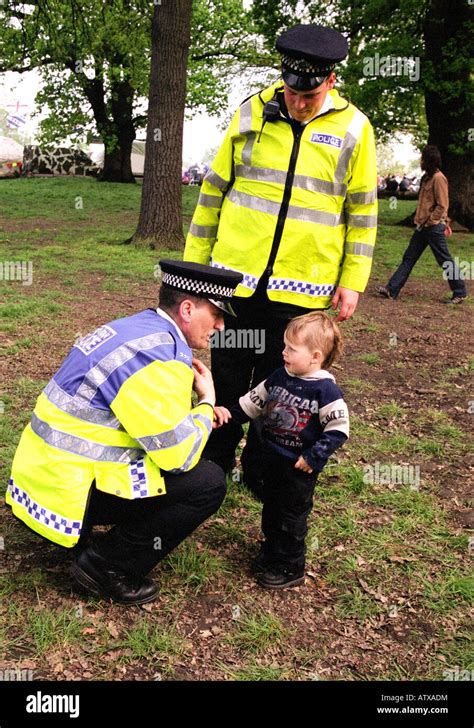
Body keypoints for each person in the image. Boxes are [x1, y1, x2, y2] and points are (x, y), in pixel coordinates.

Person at [184, 23, 376, 496]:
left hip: (300, 288)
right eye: (291, 90)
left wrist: (352, 280)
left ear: (330, 81)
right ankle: (212, 470)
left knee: (282, 389)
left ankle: (261, 470)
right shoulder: (251, 110)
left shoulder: (355, 128)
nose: (297, 101)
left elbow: (364, 211)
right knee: (226, 380)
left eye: (308, 95)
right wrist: (194, 270)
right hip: (234, 282)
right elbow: (214, 191)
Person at [6, 260, 243, 605]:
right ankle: (104, 567)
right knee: (207, 481)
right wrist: (207, 402)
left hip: (40, 482)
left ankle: (86, 536)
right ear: (188, 309)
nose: (221, 326)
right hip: (68, 495)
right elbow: (177, 456)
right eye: (217, 314)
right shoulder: (158, 360)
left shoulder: (136, 329)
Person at [213, 311, 349, 589]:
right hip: (272, 460)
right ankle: (272, 550)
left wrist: (314, 456)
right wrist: (228, 415)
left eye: (291, 349)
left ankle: (290, 566)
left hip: (298, 469)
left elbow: (338, 430)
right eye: (284, 346)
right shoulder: (279, 376)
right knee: (272, 509)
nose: (283, 352)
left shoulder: (326, 392)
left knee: (291, 518)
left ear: (315, 356)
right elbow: (252, 403)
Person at [375, 145, 468, 304]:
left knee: (444, 260)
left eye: (422, 158)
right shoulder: (426, 178)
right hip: (422, 227)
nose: (420, 161)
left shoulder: (439, 179)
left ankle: (460, 291)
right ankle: (392, 289)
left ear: (428, 160)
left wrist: (432, 221)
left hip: (433, 228)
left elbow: (442, 205)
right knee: (409, 258)